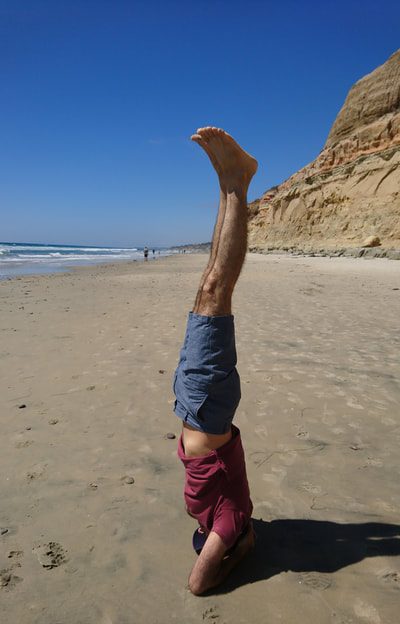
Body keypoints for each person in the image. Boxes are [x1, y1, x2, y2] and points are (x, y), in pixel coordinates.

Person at [173, 126, 258, 595]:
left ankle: (227, 189)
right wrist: (238, 550)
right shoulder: (230, 518)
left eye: (202, 539)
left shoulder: (219, 518)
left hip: (193, 402)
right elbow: (198, 585)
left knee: (208, 281)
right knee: (214, 290)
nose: (204, 539)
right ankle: (237, 184)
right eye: (207, 542)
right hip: (208, 403)